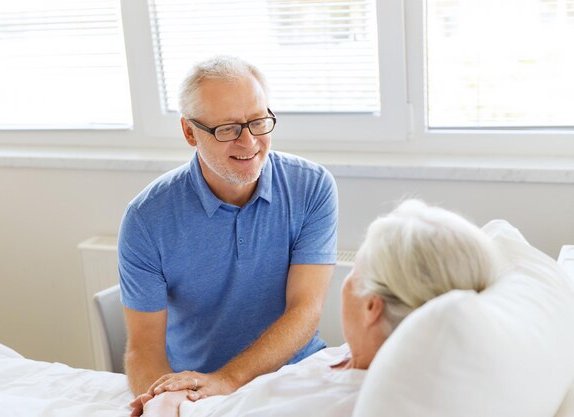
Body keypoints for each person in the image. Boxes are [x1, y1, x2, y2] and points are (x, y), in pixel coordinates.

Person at [117, 55, 338, 416]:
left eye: (258, 122)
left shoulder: (311, 187)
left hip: (295, 378)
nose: (249, 142)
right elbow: (144, 348)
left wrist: (229, 379)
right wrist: (162, 400)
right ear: (190, 132)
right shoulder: (147, 218)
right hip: (199, 392)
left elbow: (306, 310)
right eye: (228, 129)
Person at [139, 199, 503, 417]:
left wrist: (166, 400)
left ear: (372, 307)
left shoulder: (333, 403)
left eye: (355, 270)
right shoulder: (352, 357)